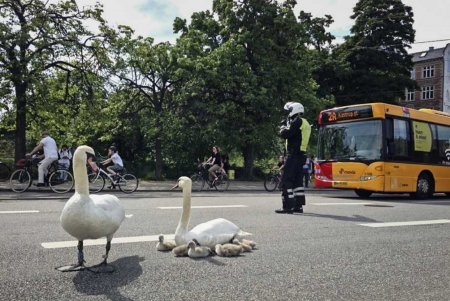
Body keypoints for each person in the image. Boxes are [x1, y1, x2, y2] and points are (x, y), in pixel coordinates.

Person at [275, 102, 311, 214]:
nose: (287, 115)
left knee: (286, 180)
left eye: (288, 112)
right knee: (297, 181)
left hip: (294, 155)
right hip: (301, 155)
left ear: (293, 110)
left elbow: (285, 134)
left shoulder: (297, 121)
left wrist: (282, 126)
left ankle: (287, 206)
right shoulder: (305, 122)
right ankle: (298, 206)